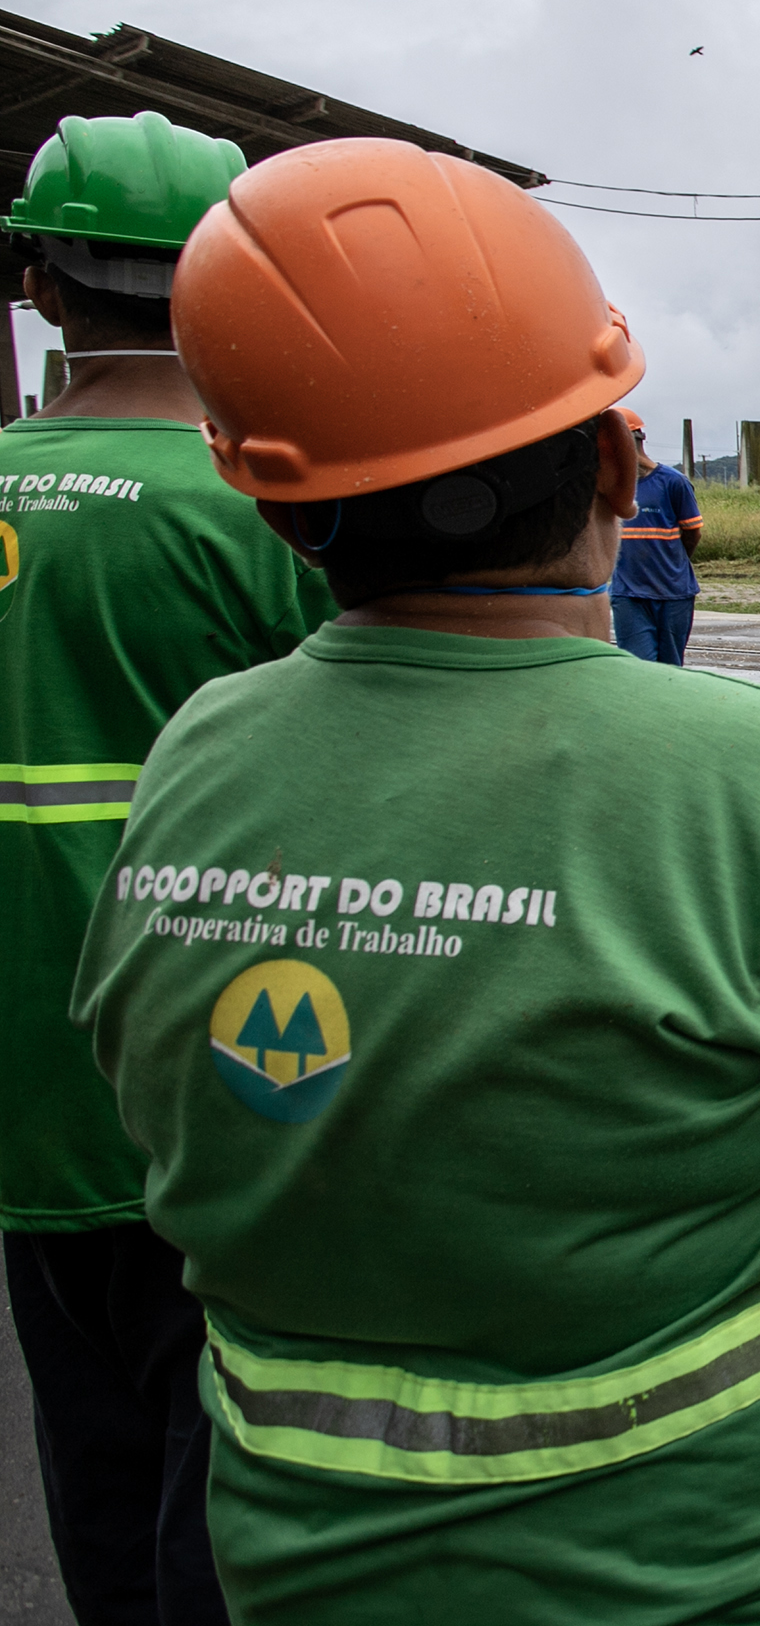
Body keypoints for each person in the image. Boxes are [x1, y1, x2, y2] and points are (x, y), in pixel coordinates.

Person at [68, 137, 760, 1623]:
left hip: (323, 1570)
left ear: (274, 507)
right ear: (616, 458)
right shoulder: (749, 768)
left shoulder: (202, 752)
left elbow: (161, 1098)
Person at [1, 112, 333, 1626]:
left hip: (25, 1101)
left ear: (43, 289)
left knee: (93, 1458)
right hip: (227, 1070)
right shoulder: (262, 511)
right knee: (232, 1466)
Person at [611, 407, 703, 664]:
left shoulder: (673, 483)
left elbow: (692, 533)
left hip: (673, 595)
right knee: (636, 667)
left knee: (670, 669)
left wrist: (671, 562)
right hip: (628, 595)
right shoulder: (610, 486)